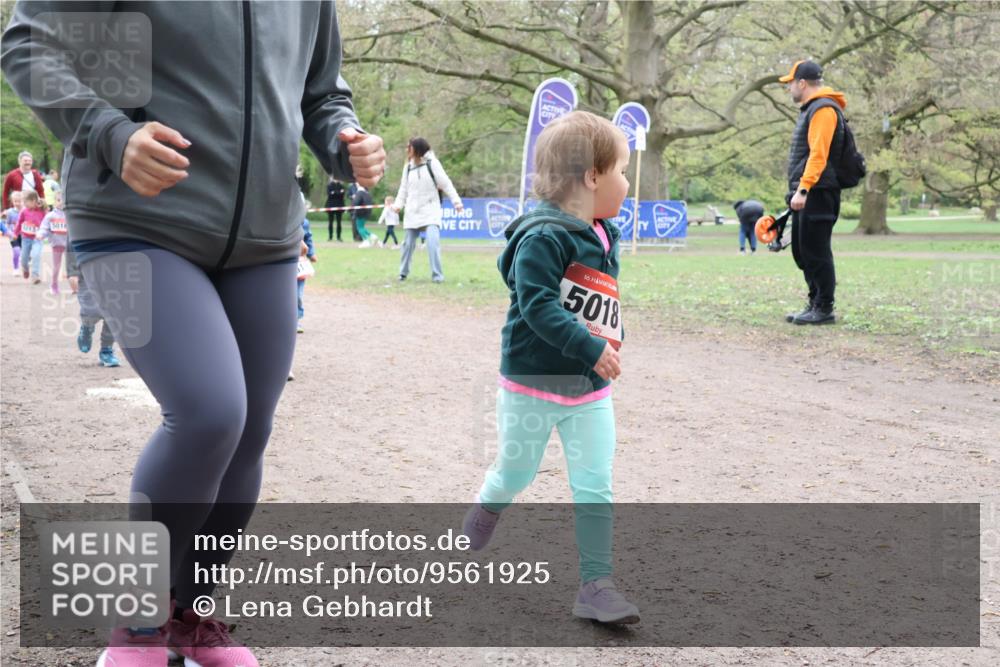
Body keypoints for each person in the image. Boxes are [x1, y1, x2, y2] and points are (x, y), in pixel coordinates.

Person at [3, 4, 386, 666]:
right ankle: (137, 621)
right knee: (210, 412)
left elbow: (322, 92)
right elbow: (28, 46)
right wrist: (110, 134)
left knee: (249, 431)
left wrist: (344, 140)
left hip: (264, 238)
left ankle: (191, 613)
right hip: (131, 221)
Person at [461, 111, 639, 625]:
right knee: (514, 473)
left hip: (589, 389)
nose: (627, 182)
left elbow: (596, 300)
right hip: (532, 384)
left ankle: (596, 585)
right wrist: (589, 346)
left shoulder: (603, 231)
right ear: (592, 176)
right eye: (622, 171)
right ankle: (487, 507)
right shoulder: (543, 236)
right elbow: (537, 305)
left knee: (594, 484)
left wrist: (607, 341)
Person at [779, 59, 847, 325]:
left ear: (802, 83)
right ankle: (814, 301)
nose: (789, 89)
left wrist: (804, 189)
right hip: (809, 191)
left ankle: (824, 307)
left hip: (818, 191)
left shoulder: (823, 110)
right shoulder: (812, 109)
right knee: (802, 250)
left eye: (790, 83)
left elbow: (819, 155)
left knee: (816, 251)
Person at [393, 137, 463, 282]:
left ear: (417, 149)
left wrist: (456, 202)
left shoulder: (432, 164)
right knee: (407, 244)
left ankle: (437, 276)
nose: (407, 150)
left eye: (409, 147)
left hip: (430, 210)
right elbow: (403, 189)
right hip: (413, 211)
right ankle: (403, 273)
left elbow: (446, 184)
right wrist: (398, 204)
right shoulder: (407, 168)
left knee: (432, 243)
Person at [66, 246, 122, 367]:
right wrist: (72, 272)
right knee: (91, 310)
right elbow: (71, 242)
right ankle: (87, 326)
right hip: (86, 267)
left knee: (113, 311)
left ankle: (106, 350)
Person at [37, 191, 68, 293]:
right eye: (58, 200)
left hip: (69, 245)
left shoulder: (70, 215)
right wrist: (41, 234)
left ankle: (76, 286)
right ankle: (54, 284)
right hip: (57, 244)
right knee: (56, 266)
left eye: (63, 200)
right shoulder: (50, 216)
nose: (61, 202)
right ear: (54, 202)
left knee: (73, 266)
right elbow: (44, 227)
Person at [14, 190, 45, 283]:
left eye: (25, 202)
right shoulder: (24, 211)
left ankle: (35, 276)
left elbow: (47, 222)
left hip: (37, 239)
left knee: (36, 255)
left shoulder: (42, 211)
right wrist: (15, 233)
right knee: (24, 259)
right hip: (26, 238)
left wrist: (46, 233)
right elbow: (19, 222)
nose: (24, 204)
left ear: (33, 201)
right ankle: (25, 269)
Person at [297, 218, 318, 333]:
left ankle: (296, 320)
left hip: (299, 265)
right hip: (284, 262)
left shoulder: (304, 222)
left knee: (298, 295)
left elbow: (308, 238)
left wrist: (311, 254)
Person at [4, 190, 23, 275]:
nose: (17, 203)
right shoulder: (10, 212)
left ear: (23, 201)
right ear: (12, 201)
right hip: (13, 235)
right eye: (15, 201)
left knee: (24, 252)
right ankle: (16, 268)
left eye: (19, 201)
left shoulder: (25, 211)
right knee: (16, 251)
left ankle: (25, 259)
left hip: (24, 236)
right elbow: (7, 223)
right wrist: (8, 232)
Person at [325, 176, 346, 241]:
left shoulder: (341, 186)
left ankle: (338, 237)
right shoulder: (329, 186)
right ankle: (330, 237)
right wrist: (338, 193)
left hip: (339, 205)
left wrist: (334, 193)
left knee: (339, 222)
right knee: (330, 222)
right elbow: (329, 194)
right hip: (331, 205)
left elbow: (342, 195)